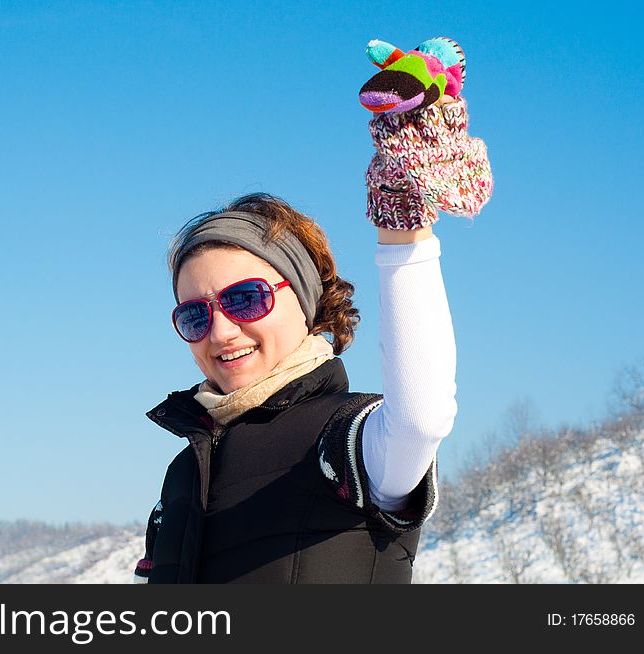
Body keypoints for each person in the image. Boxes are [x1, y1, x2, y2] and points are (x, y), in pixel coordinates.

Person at [133, 54, 492, 583]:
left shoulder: (347, 441)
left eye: (246, 299)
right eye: (194, 314)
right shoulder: (184, 474)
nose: (222, 331)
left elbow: (420, 417)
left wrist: (404, 228)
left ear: (303, 302)